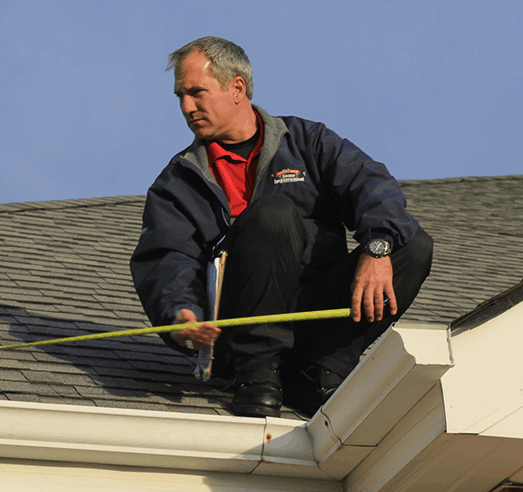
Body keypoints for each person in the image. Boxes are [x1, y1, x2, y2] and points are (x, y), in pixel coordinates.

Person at [130, 36, 432, 419]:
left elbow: (371, 184)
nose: (187, 107)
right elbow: (167, 258)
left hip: (313, 317)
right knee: (273, 213)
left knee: (413, 244)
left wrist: (378, 247)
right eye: (180, 97)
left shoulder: (307, 142)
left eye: (196, 93)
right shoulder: (178, 182)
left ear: (236, 88)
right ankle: (257, 377)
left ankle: (320, 375)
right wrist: (180, 315)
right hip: (239, 337)